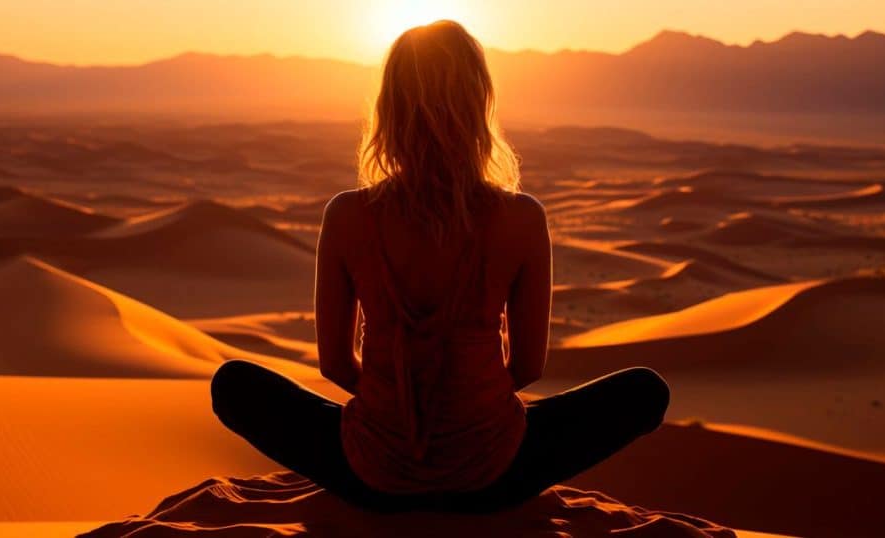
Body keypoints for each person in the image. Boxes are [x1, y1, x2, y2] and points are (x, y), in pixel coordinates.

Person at [211, 19, 669, 513]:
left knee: (234, 384)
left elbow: (336, 365)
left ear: (389, 108)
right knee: (644, 391)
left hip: (371, 474)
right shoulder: (522, 218)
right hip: (497, 473)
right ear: (478, 106)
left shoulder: (346, 215)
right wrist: (461, 411)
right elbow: (529, 366)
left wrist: (403, 410)